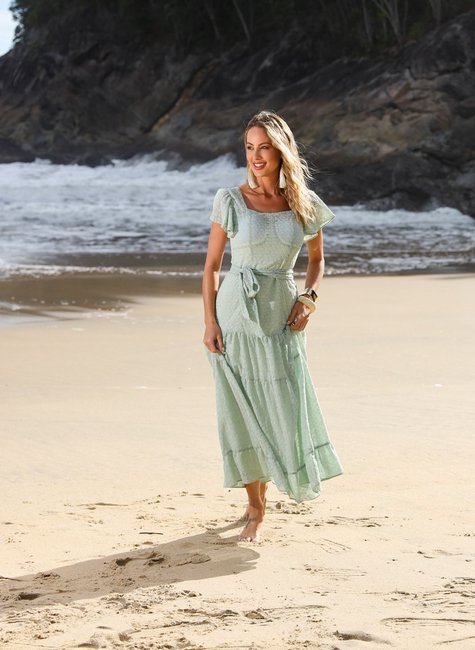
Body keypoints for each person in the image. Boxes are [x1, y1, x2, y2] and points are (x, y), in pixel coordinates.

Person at [202, 110, 343, 543]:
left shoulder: (303, 203)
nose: (256, 156)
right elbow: (211, 267)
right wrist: (209, 321)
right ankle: (256, 506)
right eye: (249, 147)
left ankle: (278, 482)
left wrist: (309, 298)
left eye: (264, 147)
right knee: (242, 407)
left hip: (283, 313)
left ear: (281, 152)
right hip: (235, 314)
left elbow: (317, 259)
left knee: (282, 401)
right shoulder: (230, 200)